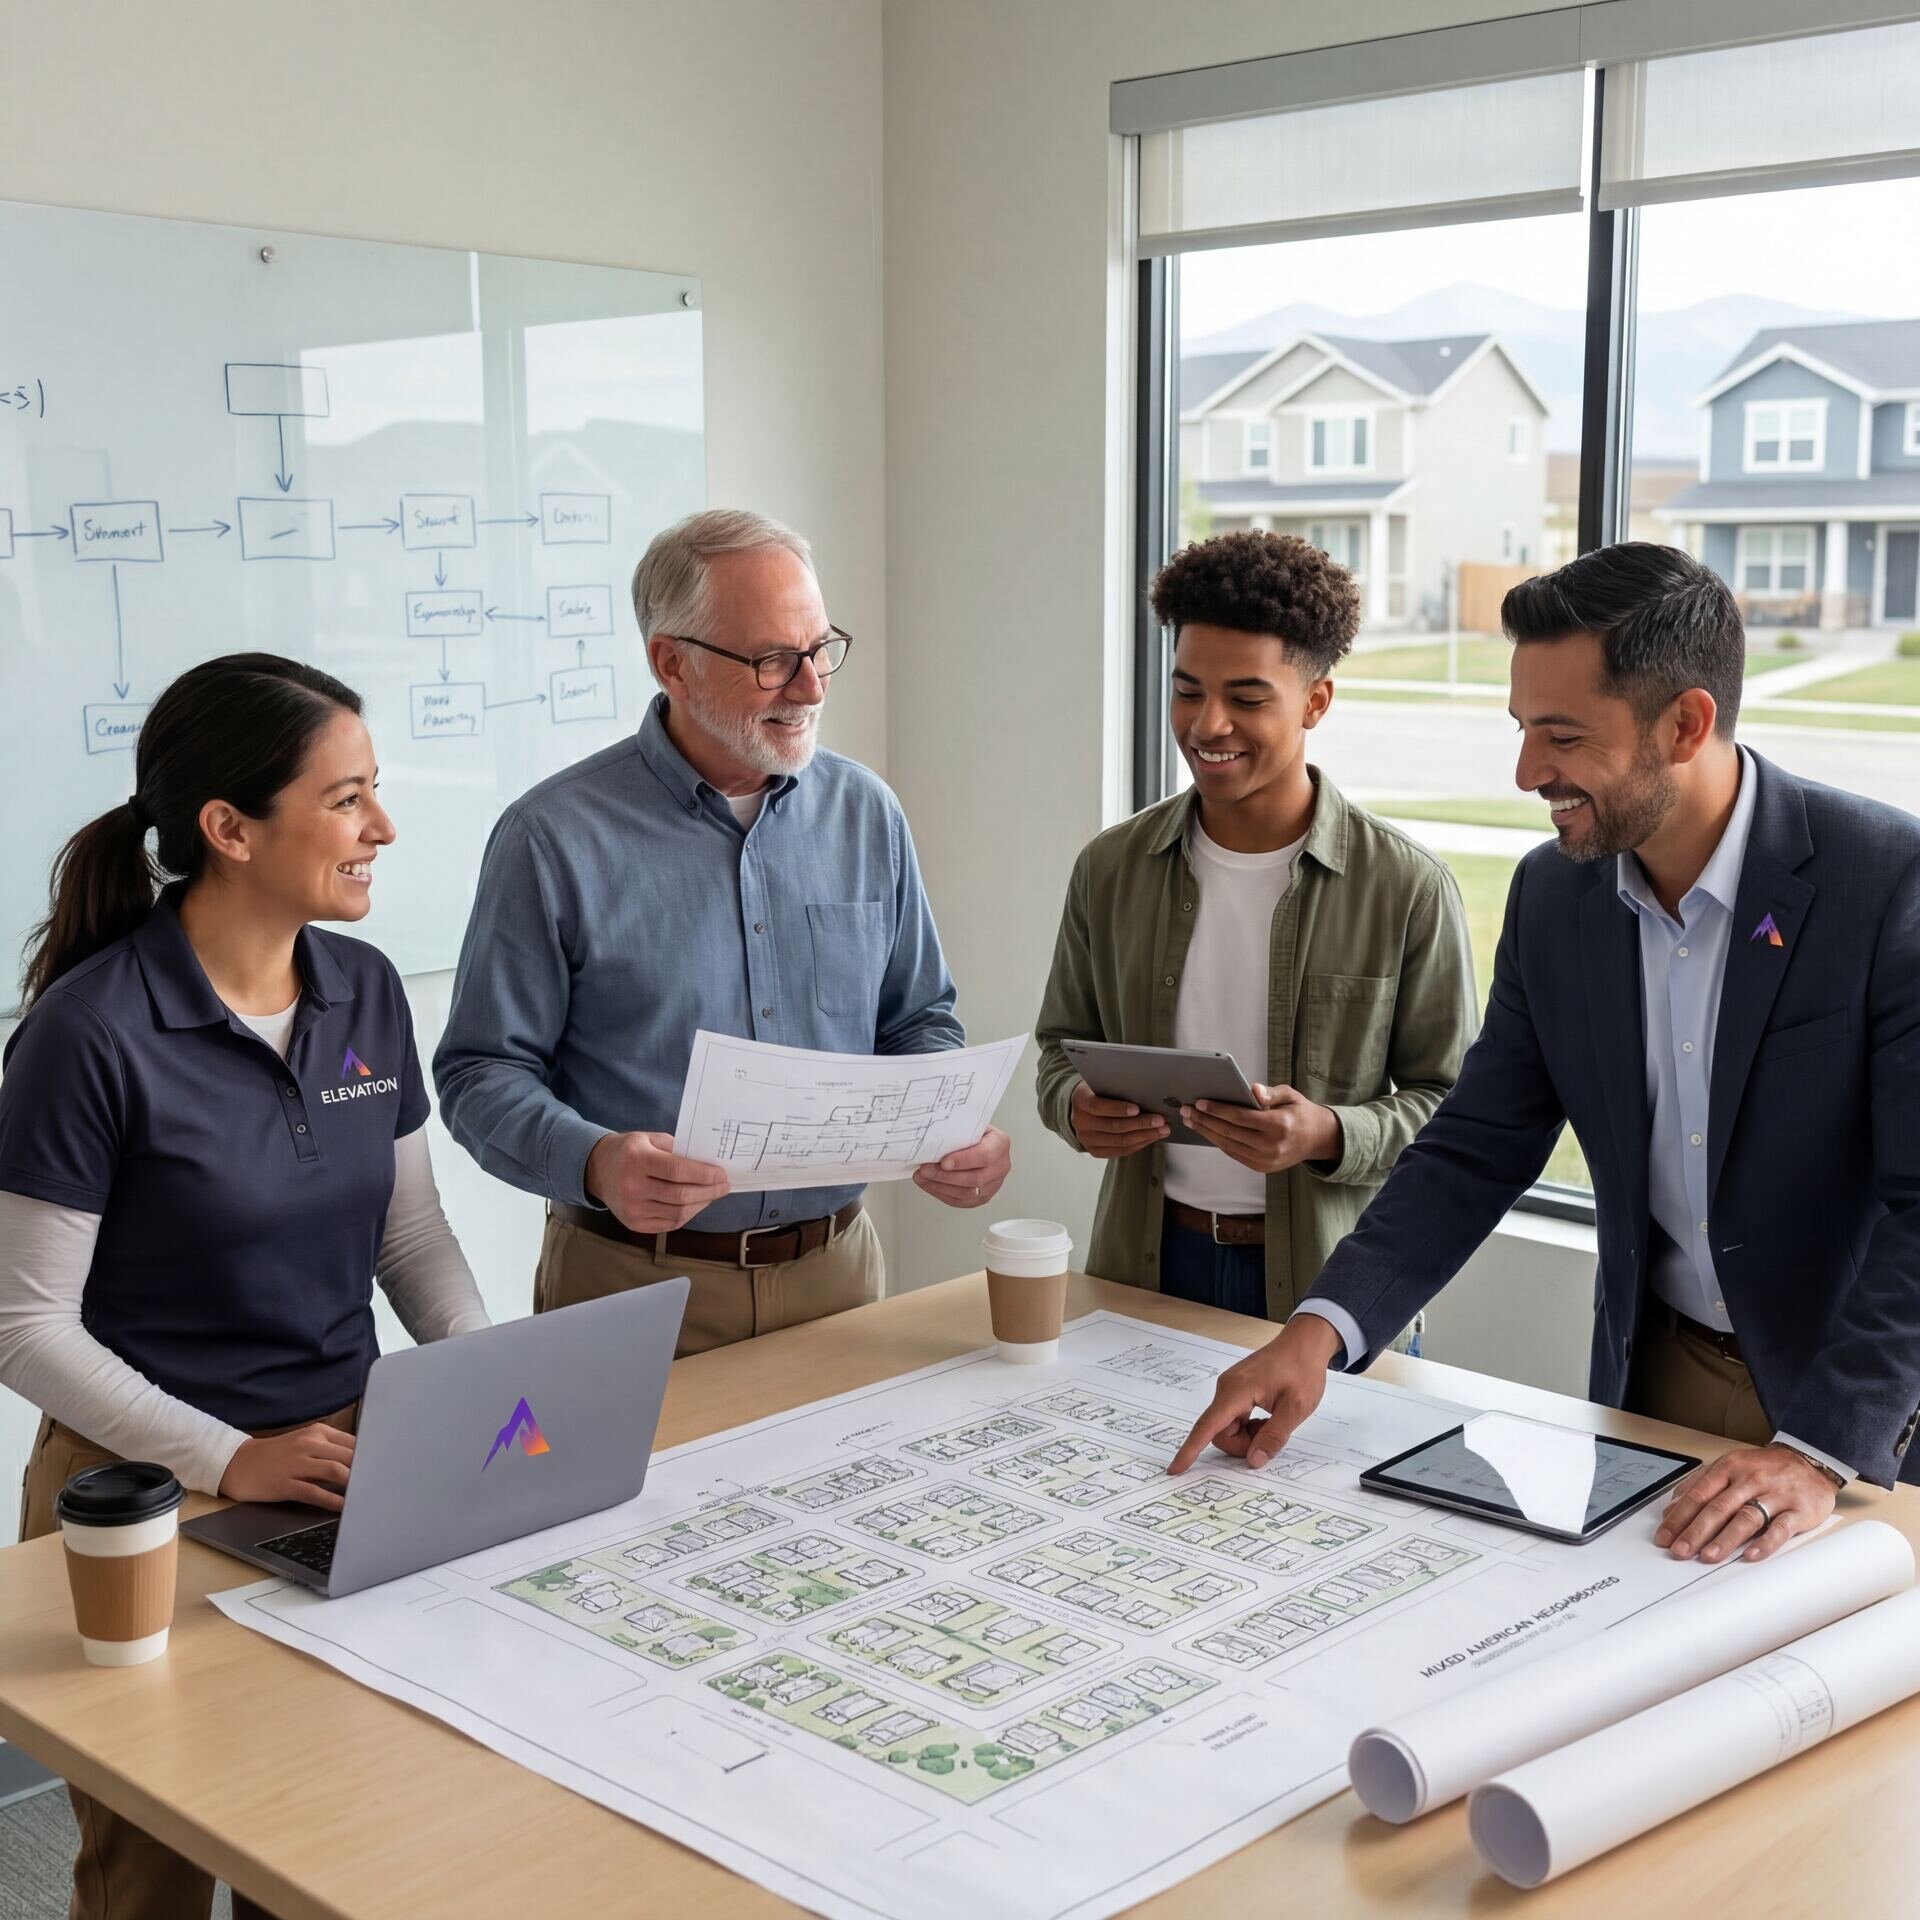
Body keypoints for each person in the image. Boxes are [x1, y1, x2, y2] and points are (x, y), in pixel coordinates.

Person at [1172, 542, 1920, 1567]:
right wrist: (1321, 1333)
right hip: (1657, 1377)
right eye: (1523, 731)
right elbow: (1477, 1144)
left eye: (1561, 736)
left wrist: (1817, 1449)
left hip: (1862, 1406)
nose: (1527, 774)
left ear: (1687, 724)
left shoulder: (1888, 886)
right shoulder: (1555, 897)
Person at [0, 653, 488, 1920]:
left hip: (345, 1472)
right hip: (145, 1499)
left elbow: (412, 1239)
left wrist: (479, 1372)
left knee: (326, 1833)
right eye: (347, 799)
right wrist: (231, 1457)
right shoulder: (90, 1031)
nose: (383, 826)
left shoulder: (365, 988)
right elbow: (22, 1325)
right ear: (228, 828)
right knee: (152, 1871)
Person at [434, 508, 1009, 1353]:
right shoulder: (551, 838)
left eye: (820, 650)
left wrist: (946, 1126)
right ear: (672, 662)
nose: (811, 687)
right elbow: (479, 1074)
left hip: (841, 1279)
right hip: (632, 1287)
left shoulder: (866, 813)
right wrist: (597, 1162)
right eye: (775, 661)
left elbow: (917, 1019)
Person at [1035, 530, 1475, 1322]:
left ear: (1316, 701)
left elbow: (1454, 1106)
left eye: (1245, 698)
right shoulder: (1110, 869)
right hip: (1144, 1269)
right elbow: (1059, 1049)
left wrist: (1328, 1133)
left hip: (1332, 1290)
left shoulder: (1406, 886)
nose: (1207, 726)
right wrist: (1073, 1106)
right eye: (1186, 690)